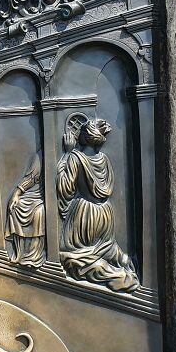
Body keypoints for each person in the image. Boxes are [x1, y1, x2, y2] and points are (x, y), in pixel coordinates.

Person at [56, 117, 139, 293]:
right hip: (105, 213)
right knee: (106, 247)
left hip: (86, 215)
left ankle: (117, 276)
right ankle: (125, 263)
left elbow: (65, 190)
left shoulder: (75, 158)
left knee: (76, 258)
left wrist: (66, 154)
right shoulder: (104, 159)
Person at [6, 153, 46, 268]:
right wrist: (16, 194)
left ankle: (34, 256)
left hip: (44, 197)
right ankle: (20, 254)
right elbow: (31, 178)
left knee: (40, 212)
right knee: (16, 208)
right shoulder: (39, 156)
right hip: (32, 194)